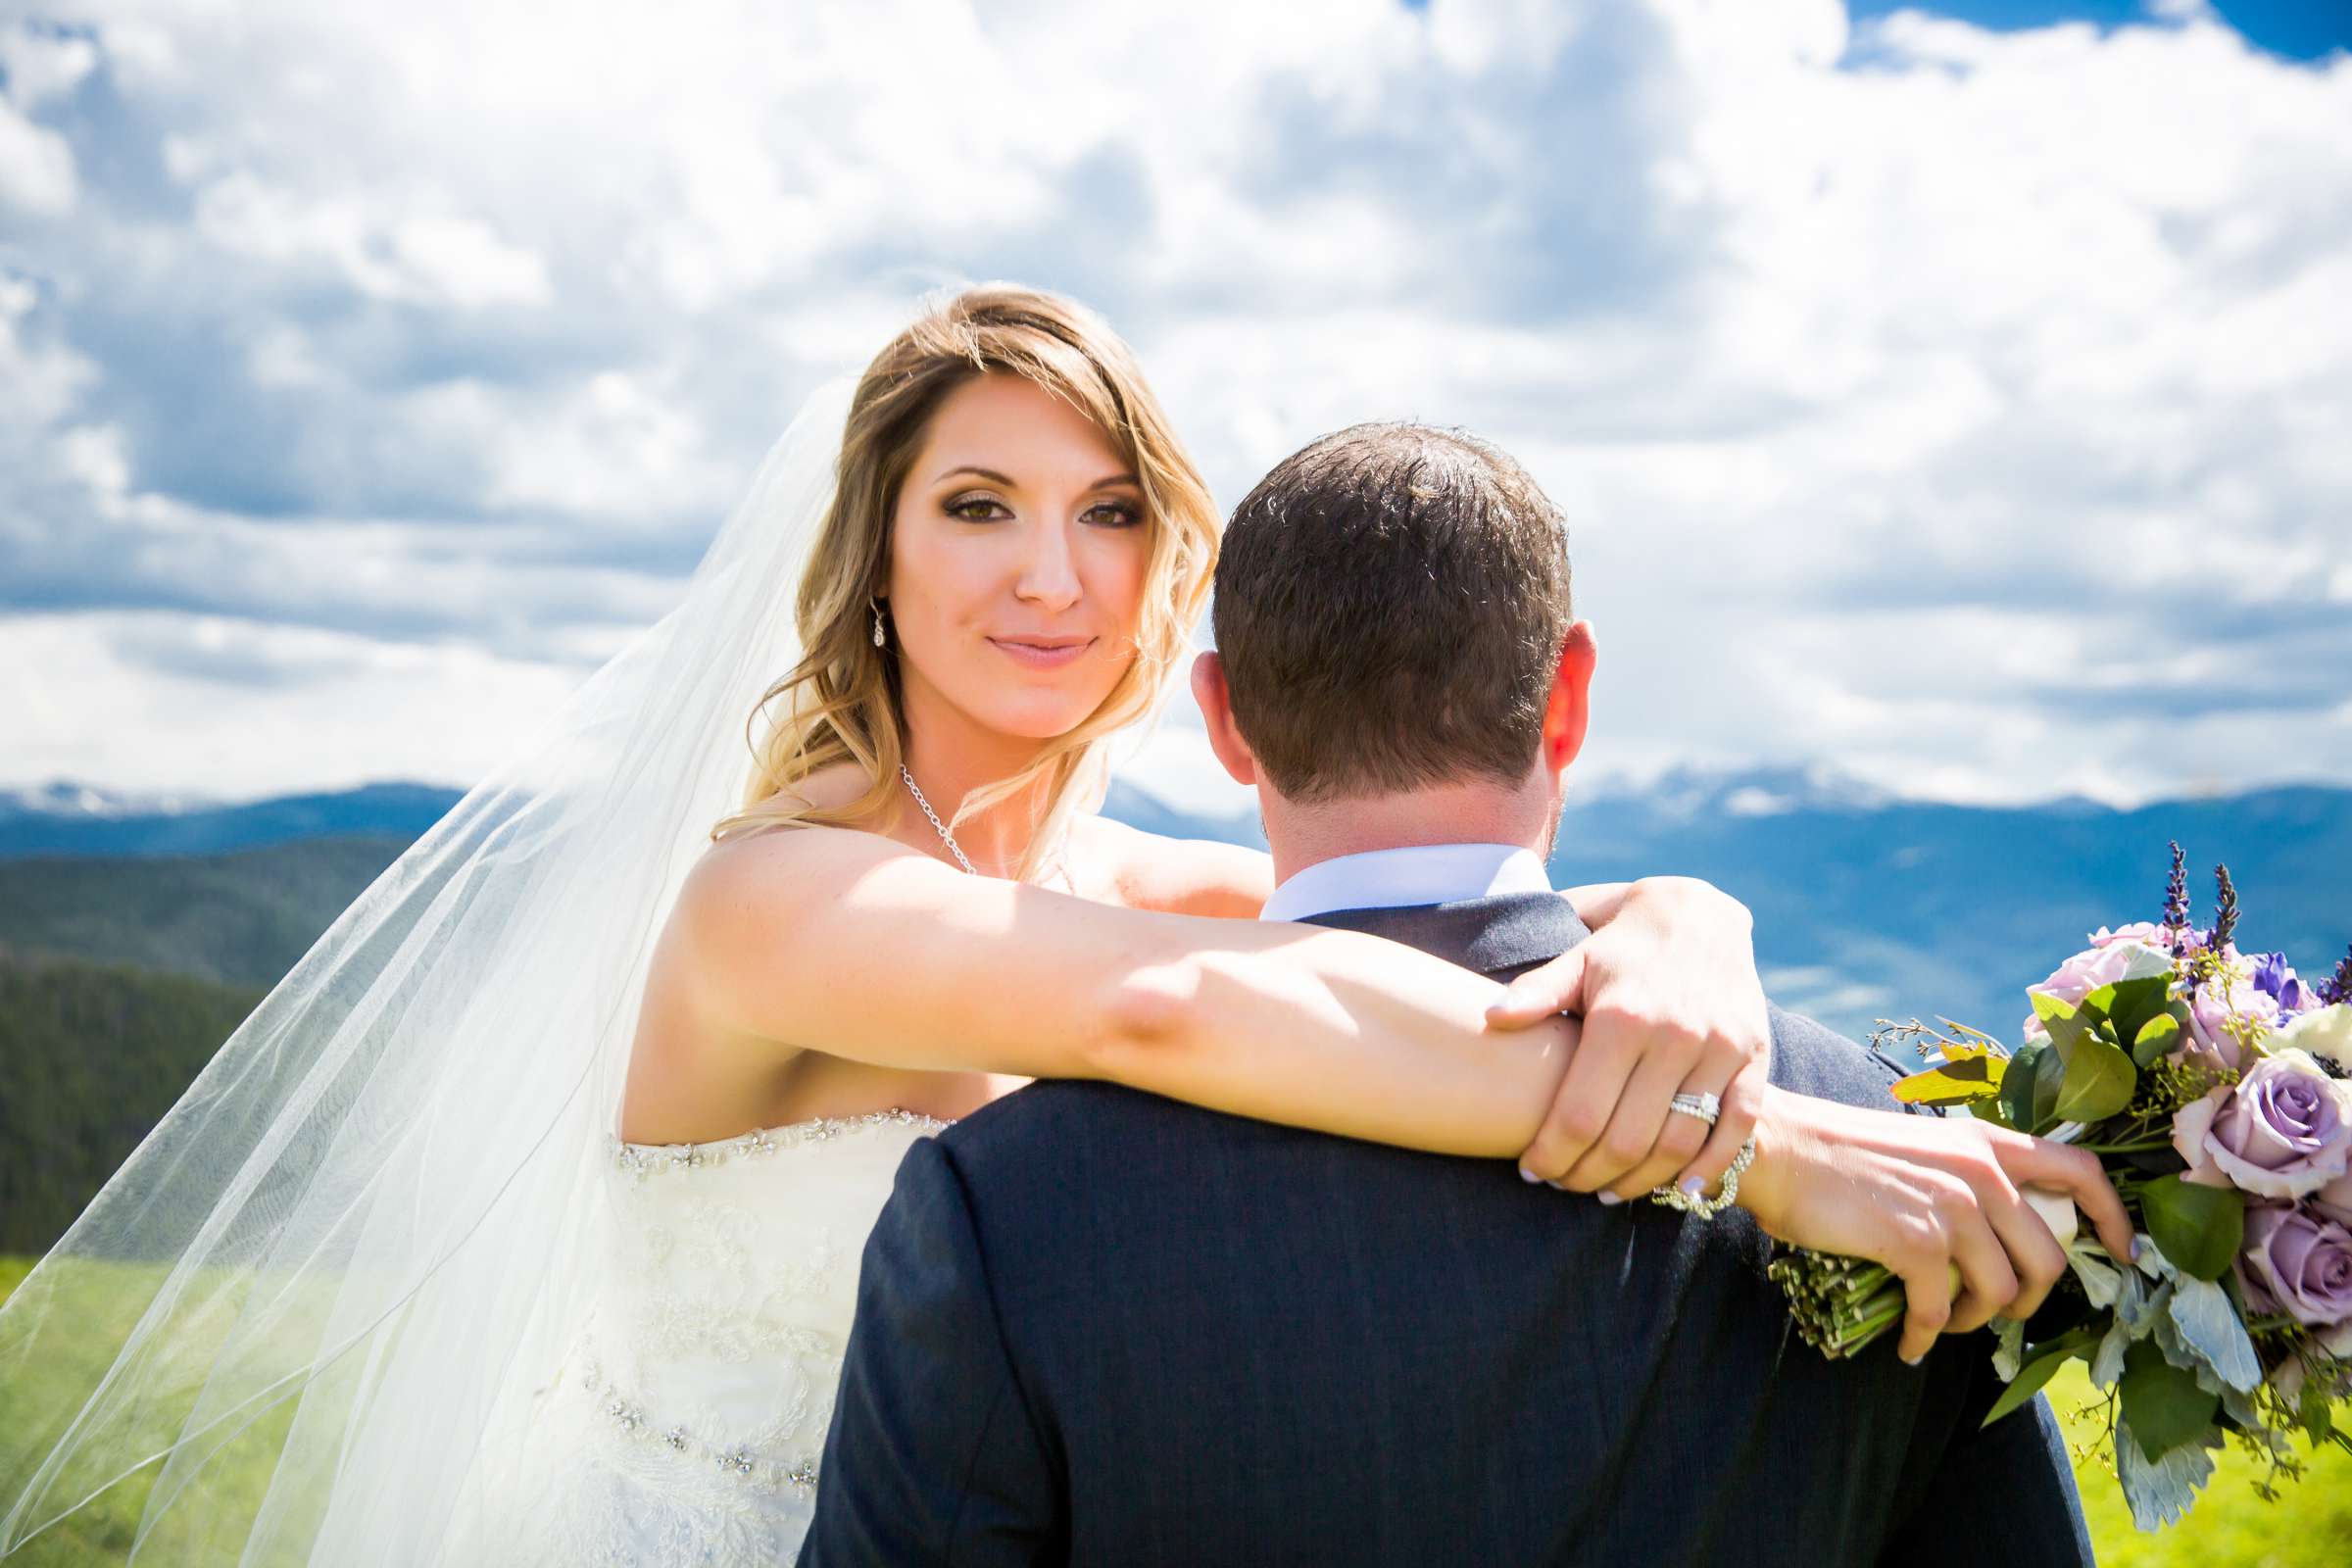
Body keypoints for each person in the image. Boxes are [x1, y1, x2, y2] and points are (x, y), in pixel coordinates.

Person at [0, 284, 1792, 1566]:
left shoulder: (1137, 883)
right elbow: (1170, 1018)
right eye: (978, 507)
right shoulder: (778, 898)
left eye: (1107, 512)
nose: (1051, 574)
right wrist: (1764, 1159)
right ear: (876, 556)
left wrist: (1692, 922)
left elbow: (1444, 919)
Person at [800, 419, 2126, 1566]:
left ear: (1223, 720)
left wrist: (1686, 910)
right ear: (1569, 699)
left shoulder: (1007, 1206)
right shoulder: (1896, 1148)